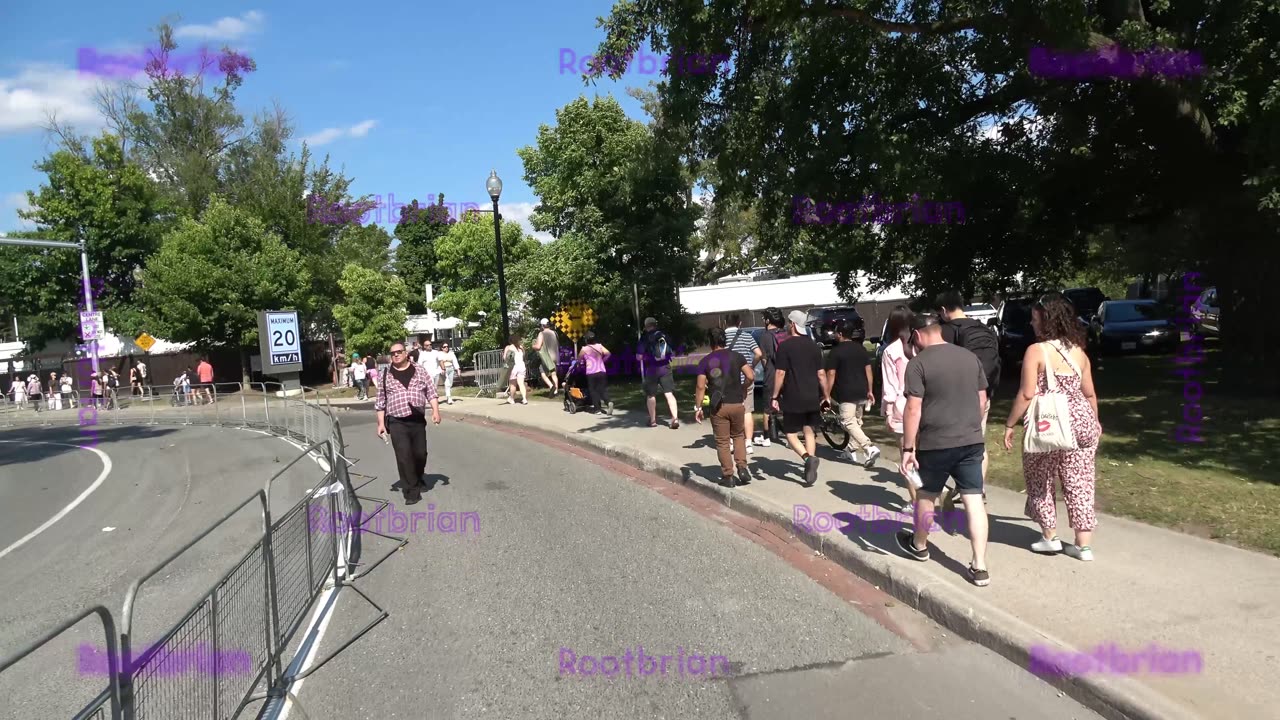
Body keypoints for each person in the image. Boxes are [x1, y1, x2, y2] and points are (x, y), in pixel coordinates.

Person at [1002, 294, 1102, 562]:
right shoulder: (1079, 352)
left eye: (1035, 319)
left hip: (1050, 422)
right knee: (1080, 481)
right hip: (1081, 421)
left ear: (1046, 321)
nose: (1032, 325)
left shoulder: (1037, 351)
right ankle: (1083, 546)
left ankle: (1050, 537)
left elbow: (1026, 394)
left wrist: (1010, 423)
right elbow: (1090, 393)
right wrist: (1095, 421)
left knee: (1040, 476)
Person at [895, 313, 991, 587]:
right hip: (971, 440)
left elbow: (913, 408)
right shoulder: (968, 357)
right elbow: (982, 399)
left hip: (936, 442)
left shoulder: (917, 364)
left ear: (916, 335)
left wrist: (908, 448)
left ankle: (920, 545)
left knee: (926, 494)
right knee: (973, 500)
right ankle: (979, 565)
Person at [937, 291, 1000, 510]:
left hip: (954, 400)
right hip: (983, 395)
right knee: (978, 445)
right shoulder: (984, 329)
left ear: (944, 310)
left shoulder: (944, 332)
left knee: (949, 446)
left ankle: (954, 489)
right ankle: (977, 489)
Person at [375, 341, 442, 505]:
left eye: (399, 352)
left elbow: (431, 392)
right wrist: (381, 423)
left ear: (406, 354)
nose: (395, 355)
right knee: (404, 456)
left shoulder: (419, 370)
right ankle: (411, 491)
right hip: (396, 421)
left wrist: (435, 411)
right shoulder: (385, 374)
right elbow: (380, 402)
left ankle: (418, 477)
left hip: (417, 419)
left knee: (420, 454)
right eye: (392, 353)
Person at [771, 310, 829, 486]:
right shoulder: (814, 346)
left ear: (794, 325)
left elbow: (780, 373)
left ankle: (807, 459)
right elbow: (821, 374)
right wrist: (826, 395)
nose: (788, 326)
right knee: (809, 430)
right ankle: (811, 461)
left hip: (793, 396)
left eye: (790, 323)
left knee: (790, 434)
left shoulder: (785, 347)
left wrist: (774, 395)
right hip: (812, 395)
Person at [694, 328, 756, 487]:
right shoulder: (737, 357)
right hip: (737, 403)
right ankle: (742, 467)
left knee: (722, 441)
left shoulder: (705, 361)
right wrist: (744, 387)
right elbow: (750, 375)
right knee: (738, 436)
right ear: (724, 340)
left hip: (719, 406)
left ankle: (728, 476)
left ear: (711, 342)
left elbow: (700, 387)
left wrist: (698, 407)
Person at [824, 320, 880, 467]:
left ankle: (869, 447)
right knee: (856, 422)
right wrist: (870, 390)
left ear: (840, 334)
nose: (835, 335)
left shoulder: (836, 351)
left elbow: (831, 374)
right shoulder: (861, 349)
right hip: (861, 391)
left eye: (836, 332)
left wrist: (827, 395)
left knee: (847, 421)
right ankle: (850, 451)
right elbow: (868, 370)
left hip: (846, 392)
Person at [880, 305, 918, 507]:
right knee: (922, 456)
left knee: (907, 456)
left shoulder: (891, 351)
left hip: (902, 408)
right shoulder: (920, 345)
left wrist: (887, 412)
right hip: (925, 405)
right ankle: (932, 492)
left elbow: (890, 387)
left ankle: (916, 500)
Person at [723, 313, 764, 452]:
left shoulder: (722, 338)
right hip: (746, 378)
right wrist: (751, 365)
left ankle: (732, 442)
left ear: (725, 323)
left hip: (728, 380)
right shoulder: (747, 336)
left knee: (730, 411)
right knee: (747, 411)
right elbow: (759, 353)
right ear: (739, 323)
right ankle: (748, 443)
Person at [638, 317, 679, 429]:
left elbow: (639, 356)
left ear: (646, 326)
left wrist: (645, 357)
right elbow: (673, 351)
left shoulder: (645, 337)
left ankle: (653, 420)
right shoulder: (664, 335)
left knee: (651, 395)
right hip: (665, 367)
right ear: (655, 324)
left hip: (652, 369)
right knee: (669, 393)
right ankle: (675, 418)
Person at [756, 308, 788, 445]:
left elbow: (763, 358)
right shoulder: (786, 333)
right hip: (787, 373)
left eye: (764, 318)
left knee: (768, 406)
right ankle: (789, 435)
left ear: (768, 320)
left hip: (771, 372)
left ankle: (766, 436)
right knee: (787, 404)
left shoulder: (765, 336)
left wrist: (766, 368)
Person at [578, 331, 613, 415]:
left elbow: (579, 359)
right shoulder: (599, 346)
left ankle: (597, 409)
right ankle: (608, 402)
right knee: (602, 389)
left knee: (593, 390)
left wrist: (582, 362)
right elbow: (608, 353)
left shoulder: (584, 349)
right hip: (601, 370)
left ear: (586, 340)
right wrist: (603, 360)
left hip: (591, 372)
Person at [533, 319, 561, 396]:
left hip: (547, 357)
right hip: (555, 356)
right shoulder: (554, 333)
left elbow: (538, 346)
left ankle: (552, 386)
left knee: (542, 372)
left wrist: (533, 346)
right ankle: (556, 391)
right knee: (554, 374)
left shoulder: (541, 334)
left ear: (542, 325)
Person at [503, 332, 529, 405]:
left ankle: (511, 398)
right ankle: (524, 399)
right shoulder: (521, 347)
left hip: (513, 367)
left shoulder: (508, 347)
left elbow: (505, 358)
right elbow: (524, 356)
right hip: (521, 366)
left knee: (513, 384)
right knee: (521, 383)